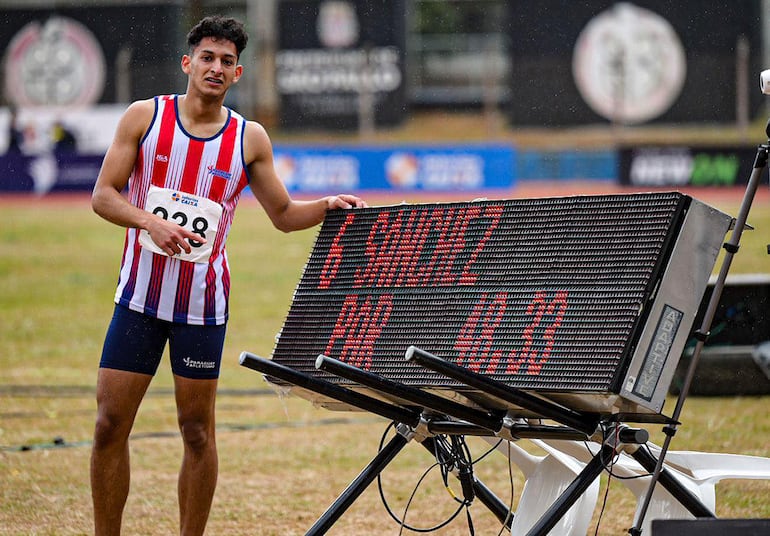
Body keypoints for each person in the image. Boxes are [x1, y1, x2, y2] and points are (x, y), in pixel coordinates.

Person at [89, 15, 366, 536]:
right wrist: (151, 221)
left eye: (227, 62)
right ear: (187, 63)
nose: (216, 68)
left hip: (201, 307)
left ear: (237, 74)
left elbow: (282, 215)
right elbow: (104, 195)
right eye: (208, 58)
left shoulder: (248, 138)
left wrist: (327, 205)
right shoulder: (143, 119)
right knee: (108, 426)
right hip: (139, 300)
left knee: (196, 432)